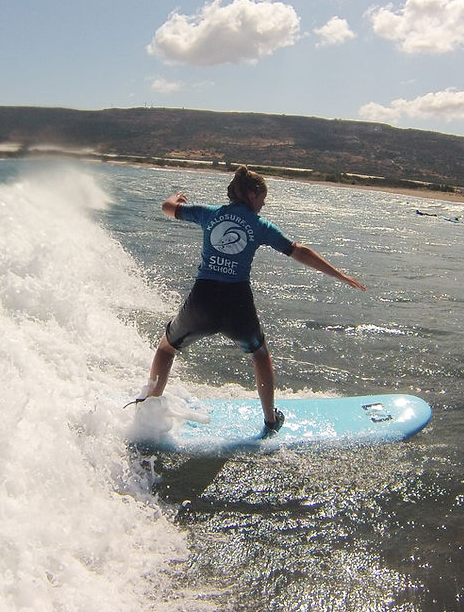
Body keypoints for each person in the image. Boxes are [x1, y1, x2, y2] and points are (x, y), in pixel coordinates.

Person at [143, 166, 366, 437]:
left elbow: (167, 208)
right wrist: (339, 274)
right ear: (252, 194)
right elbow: (299, 252)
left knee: (167, 349)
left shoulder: (209, 214)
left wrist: (177, 198)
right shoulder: (260, 226)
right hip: (237, 303)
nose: (262, 205)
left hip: (203, 300)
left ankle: (149, 408)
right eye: (262, 200)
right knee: (260, 355)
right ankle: (271, 420)